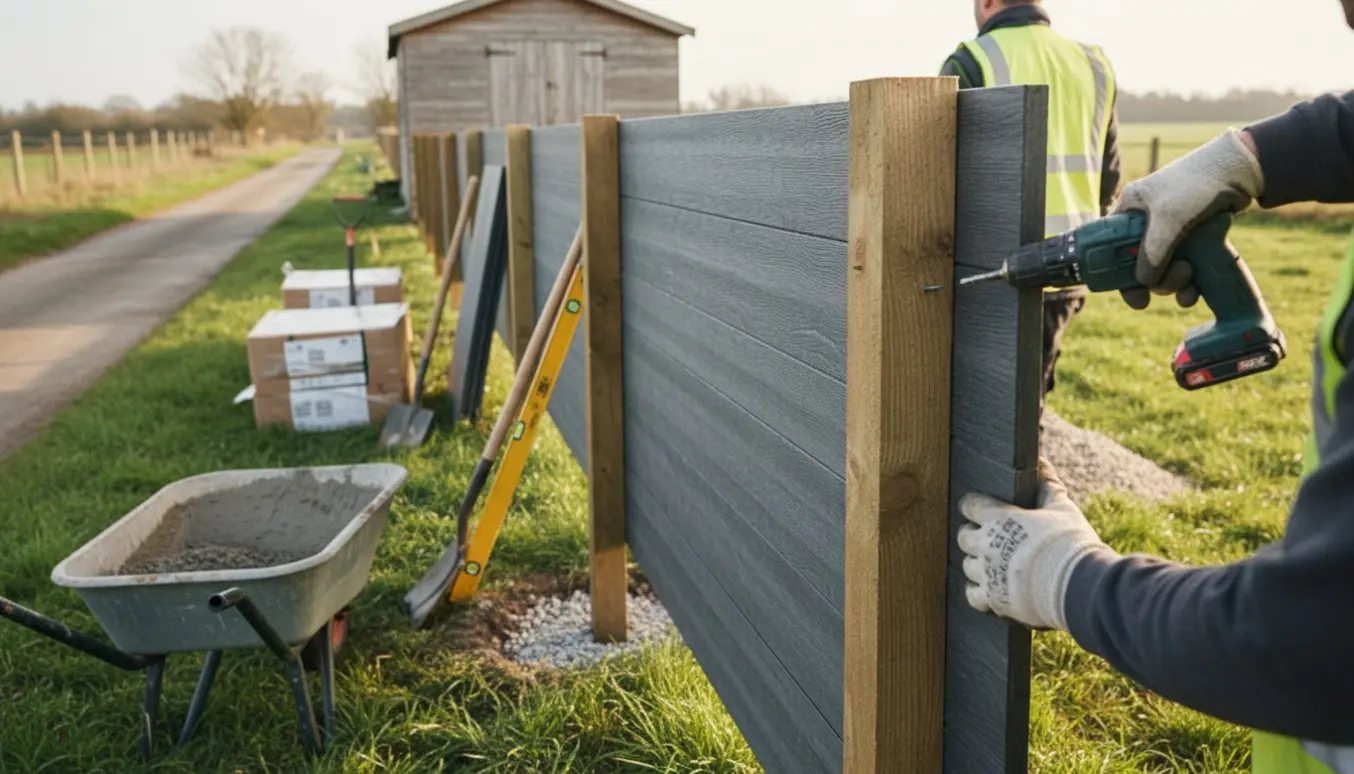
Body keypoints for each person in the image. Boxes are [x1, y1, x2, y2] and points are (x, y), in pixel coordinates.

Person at [955, 10, 1354, 771]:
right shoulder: (1093, 61)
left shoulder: (972, 55)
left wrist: (1068, 578)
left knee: (1012, 415)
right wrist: (1250, 155)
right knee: (1029, 397)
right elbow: (1107, 163)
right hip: (1076, 231)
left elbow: (1308, 642)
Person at [941, 0, 1123, 414]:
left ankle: (1023, 477)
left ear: (987, 3)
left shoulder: (970, 61)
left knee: (997, 420)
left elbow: (943, 178)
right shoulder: (1093, 64)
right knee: (1026, 408)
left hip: (994, 271)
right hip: (1074, 260)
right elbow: (1109, 177)